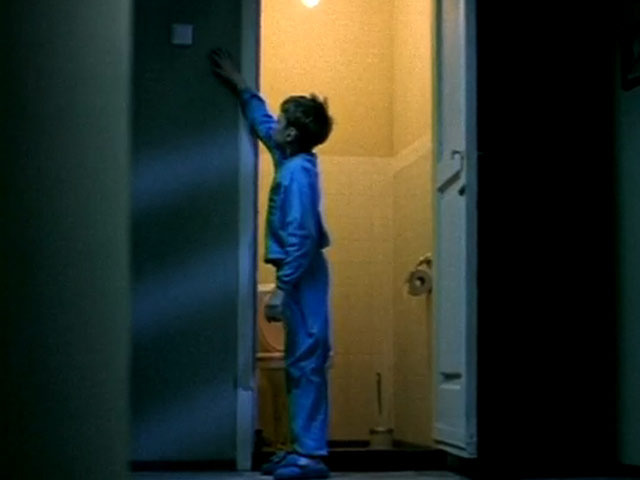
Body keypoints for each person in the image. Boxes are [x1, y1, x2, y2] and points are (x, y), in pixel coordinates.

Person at [209, 48, 333, 480]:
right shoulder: (291, 158)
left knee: (308, 362)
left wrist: (283, 287)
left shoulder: (298, 174)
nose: (274, 126)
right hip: (300, 273)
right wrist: (241, 86)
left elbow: (303, 235)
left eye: (282, 121)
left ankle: (311, 457)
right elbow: (264, 124)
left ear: (292, 134)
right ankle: (301, 449)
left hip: (302, 273)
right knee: (300, 362)